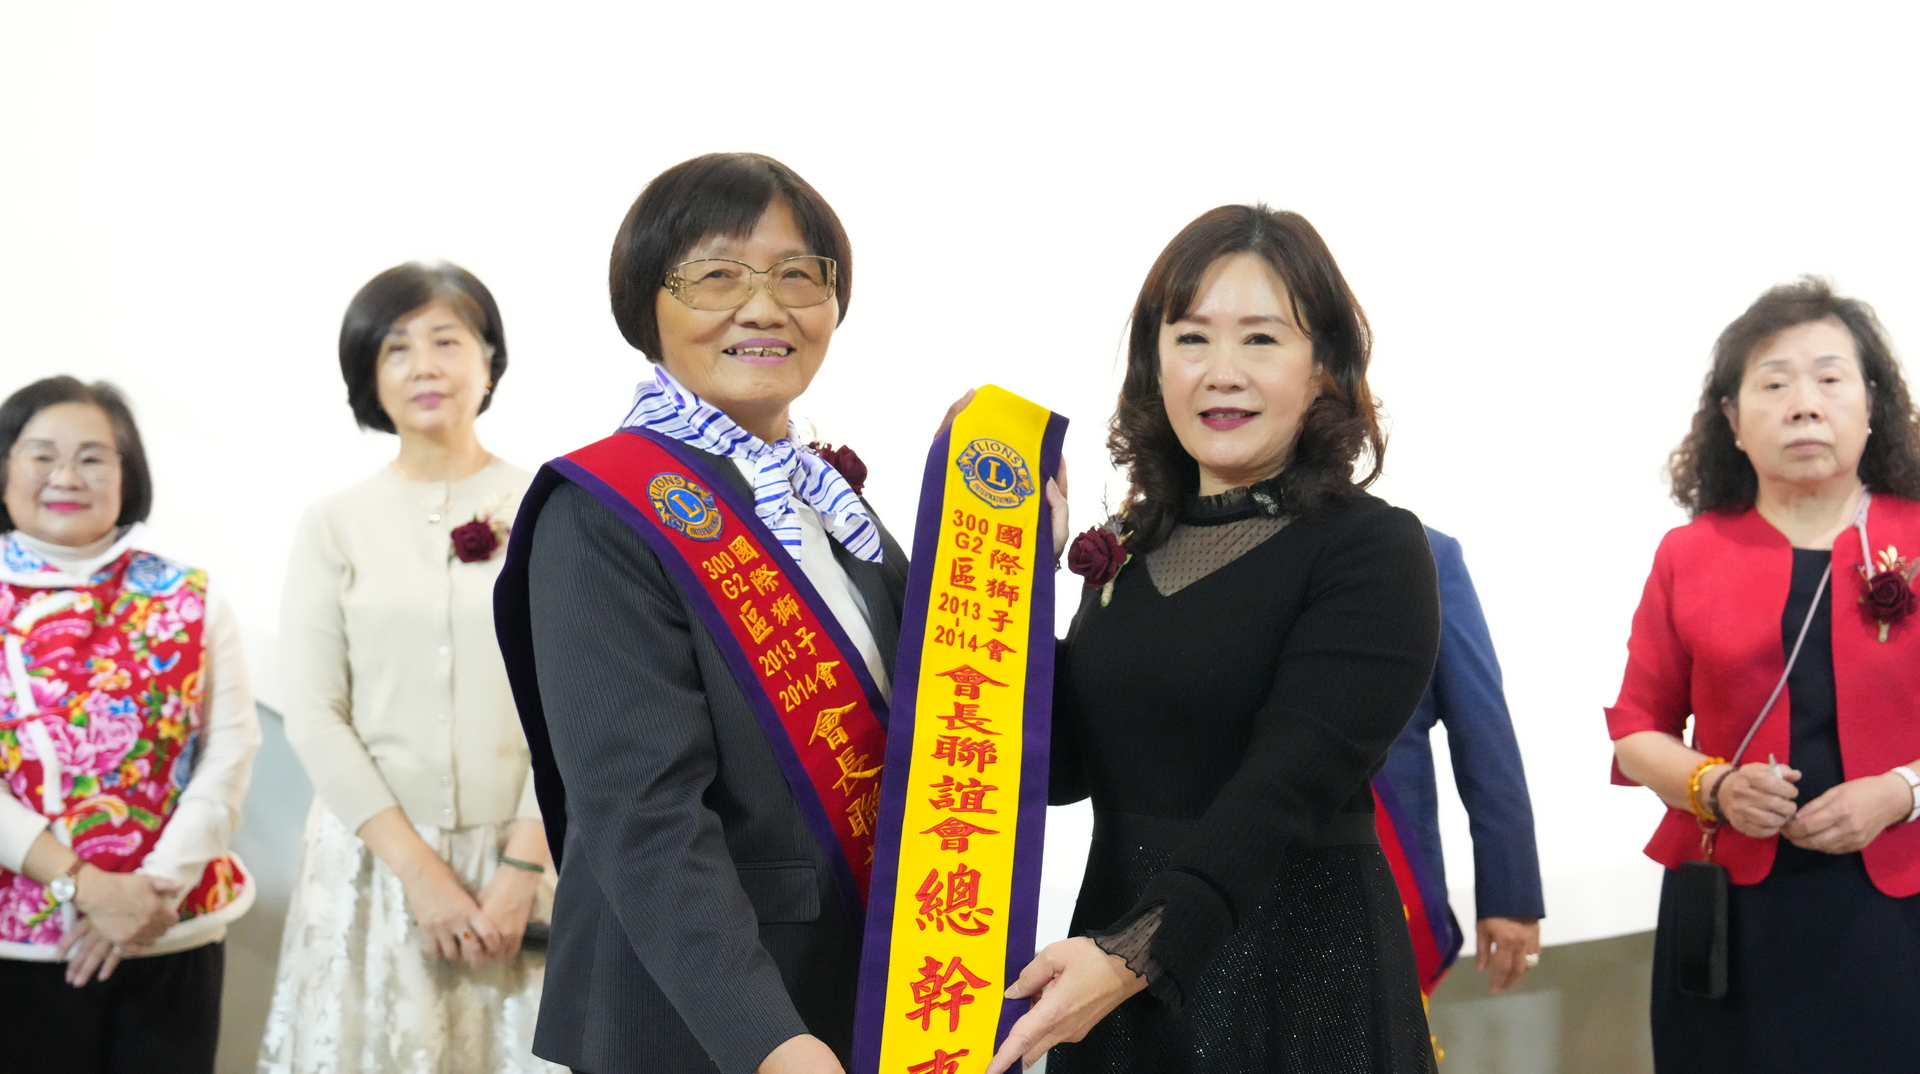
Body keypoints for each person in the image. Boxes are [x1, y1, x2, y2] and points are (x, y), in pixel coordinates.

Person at [989, 204, 1441, 1074]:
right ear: (1154, 363)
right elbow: (1064, 769)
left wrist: (1137, 952)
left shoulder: (1372, 549)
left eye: (1262, 340)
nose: (1221, 373)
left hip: (1296, 982)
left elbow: (1283, 789)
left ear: (1324, 367)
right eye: (1192, 338)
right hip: (1117, 976)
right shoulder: (1131, 544)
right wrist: (1018, 581)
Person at [493, 153, 910, 1074]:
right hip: (700, 1022)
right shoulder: (602, 510)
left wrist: (1016, 560)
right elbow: (643, 816)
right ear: (646, 304)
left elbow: (948, 716)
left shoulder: (832, 503)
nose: (764, 308)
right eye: (718, 275)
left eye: (798, 275)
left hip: (853, 995)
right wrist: (770, 1042)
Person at [1608, 278, 1920, 1072]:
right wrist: (1712, 785)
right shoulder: (1690, 554)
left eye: (1829, 378)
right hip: (1734, 915)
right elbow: (1637, 730)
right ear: (1733, 420)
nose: (1804, 405)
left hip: (1902, 900)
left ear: (1873, 404)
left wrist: (1900, 792)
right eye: (1774, 384)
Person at [259, 262, 556, 1073]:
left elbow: (574, 704)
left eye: (446, 341)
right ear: (369, 375)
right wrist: (420, 875)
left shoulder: (550, 507)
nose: (424, 366)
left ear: (489, 361)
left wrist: (521, 870)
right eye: (396, 348)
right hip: (378, 862)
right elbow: (315, 711)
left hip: (527, 860)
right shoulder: (333, 523)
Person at [0, 376, 260, 1073]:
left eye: (92, 458)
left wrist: (151, 892)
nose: (66, 477)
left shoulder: (190, 595)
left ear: (127, 474)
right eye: (41, 455)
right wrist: (87, 887)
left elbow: (230, 751)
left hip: (169, 933)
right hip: (15, 945)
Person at [1374, 526, 1544, 996]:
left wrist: (1509, 893)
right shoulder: (1186, 547)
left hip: (1387, 884)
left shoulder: (1423, 554)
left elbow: (1481, 729)